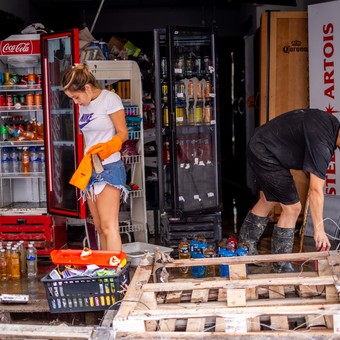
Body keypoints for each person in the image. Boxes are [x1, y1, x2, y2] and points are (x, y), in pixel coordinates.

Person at [239, 108, 340, 273]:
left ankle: (245, 249)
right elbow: (315, 190)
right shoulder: (323, 143)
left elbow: (301, 135)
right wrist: (319, 230)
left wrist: (310, 167)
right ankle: (281, 264)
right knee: (292, 208)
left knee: (269, 198)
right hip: (265, 151)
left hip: (261, 144)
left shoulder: (330, 124)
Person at [62, 63, 129, 252]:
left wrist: (109, 147)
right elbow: (88, 138)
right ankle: (104, 272)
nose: (75, 102)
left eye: (76, 97)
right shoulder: (84, 105)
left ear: (88, 88)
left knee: (109, 227)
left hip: (109, 168)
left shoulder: (110, 99)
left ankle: (114, 272)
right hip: (91, 169)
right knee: (99, 228)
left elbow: (123, 133)